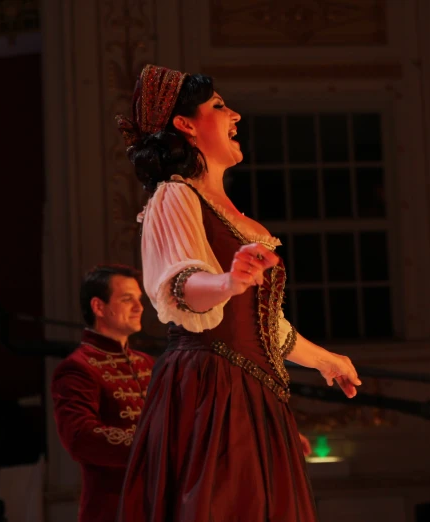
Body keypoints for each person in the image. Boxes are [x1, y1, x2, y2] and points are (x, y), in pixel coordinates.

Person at [114, 64, 361, 522]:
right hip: (211, 386)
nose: (237, 116)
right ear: (185, 125)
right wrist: (228, 281)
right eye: (220, 106)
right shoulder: (175, 196)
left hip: (255, 389)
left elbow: (264, 326)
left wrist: (326, 359)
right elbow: (182, 287)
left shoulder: (236, 217)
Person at [51, 265, 155, 522]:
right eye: (127, 299)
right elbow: (80, 437)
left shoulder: (147, 363)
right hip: (112, 509)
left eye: (139, 299)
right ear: (98, 307)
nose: (139, 308)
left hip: (157, 504)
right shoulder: (77, 368)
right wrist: (152, 445)